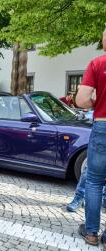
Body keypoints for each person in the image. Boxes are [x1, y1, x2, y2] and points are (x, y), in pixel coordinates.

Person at [76, 29, 106, 248]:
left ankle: (92, 233)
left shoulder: (97, 63)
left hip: (103, 125)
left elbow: (82, 100)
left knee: (94, 181)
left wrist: (96, 101)